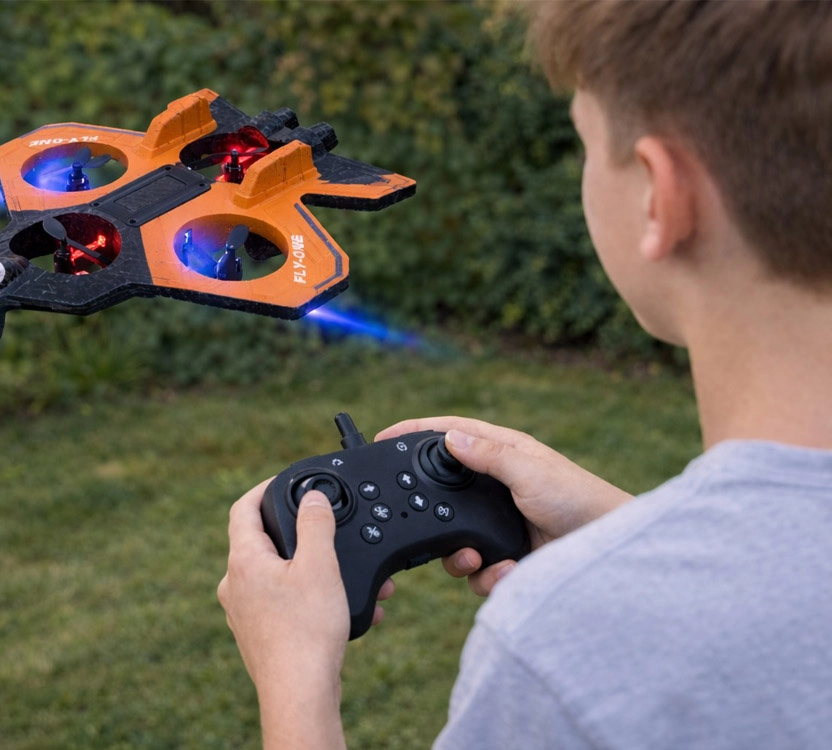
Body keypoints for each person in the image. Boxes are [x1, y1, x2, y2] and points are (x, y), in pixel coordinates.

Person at [216, 1, 832, 747]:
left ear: (660, 197)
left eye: (586, 144)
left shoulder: (562, 655)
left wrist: (294, 678)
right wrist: (620, 526)